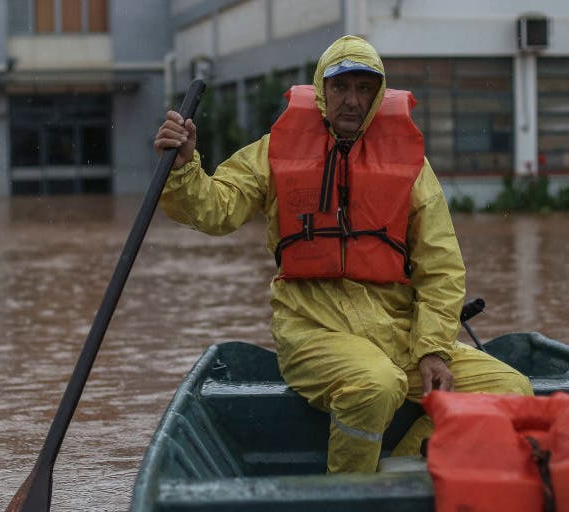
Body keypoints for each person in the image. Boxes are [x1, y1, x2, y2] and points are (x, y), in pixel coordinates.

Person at [153, 35, 532, 473]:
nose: (352, 100)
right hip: (312, 328)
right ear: (321, 90)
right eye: (341, 87)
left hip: (398, 330)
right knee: (375, 383)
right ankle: (348, 494)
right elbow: (216, 209)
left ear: (377, 93)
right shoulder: (275, 150)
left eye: (363, 88)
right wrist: (183, 168)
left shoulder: (411, 164)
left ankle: (404, 472)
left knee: (511, 389)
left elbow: (440, 267)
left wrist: (433, 349)